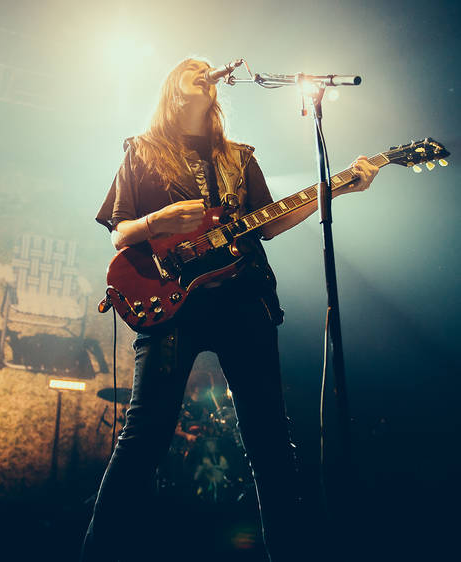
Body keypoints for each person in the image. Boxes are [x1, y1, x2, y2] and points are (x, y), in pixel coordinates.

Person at [81, 57, 379, 562]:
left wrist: (342, 184)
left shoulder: (239, 158)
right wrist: (161, 218)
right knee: (144, 436)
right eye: (190, 66)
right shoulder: (143, 150)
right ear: (172, 85)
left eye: (207, 66)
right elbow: (120, 234)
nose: (204, 69)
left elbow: (269, 222)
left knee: (270, 441)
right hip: (170, 300)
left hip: (245, 300)